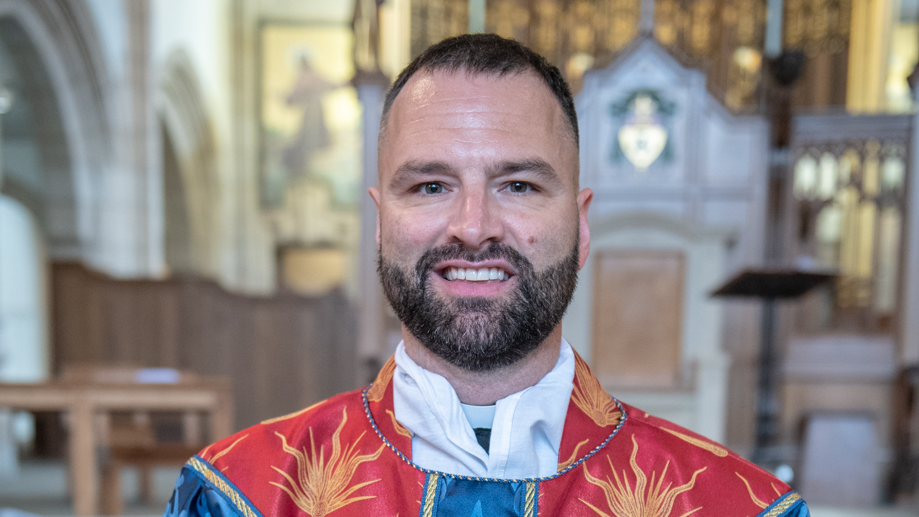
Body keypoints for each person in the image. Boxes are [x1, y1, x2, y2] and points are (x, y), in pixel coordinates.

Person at [165, 34, 810, 517]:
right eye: (430, 185)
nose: (473, 227)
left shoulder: (734, 507)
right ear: (381, 223)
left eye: (520, 184)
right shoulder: (241, 497)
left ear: (581, 227)